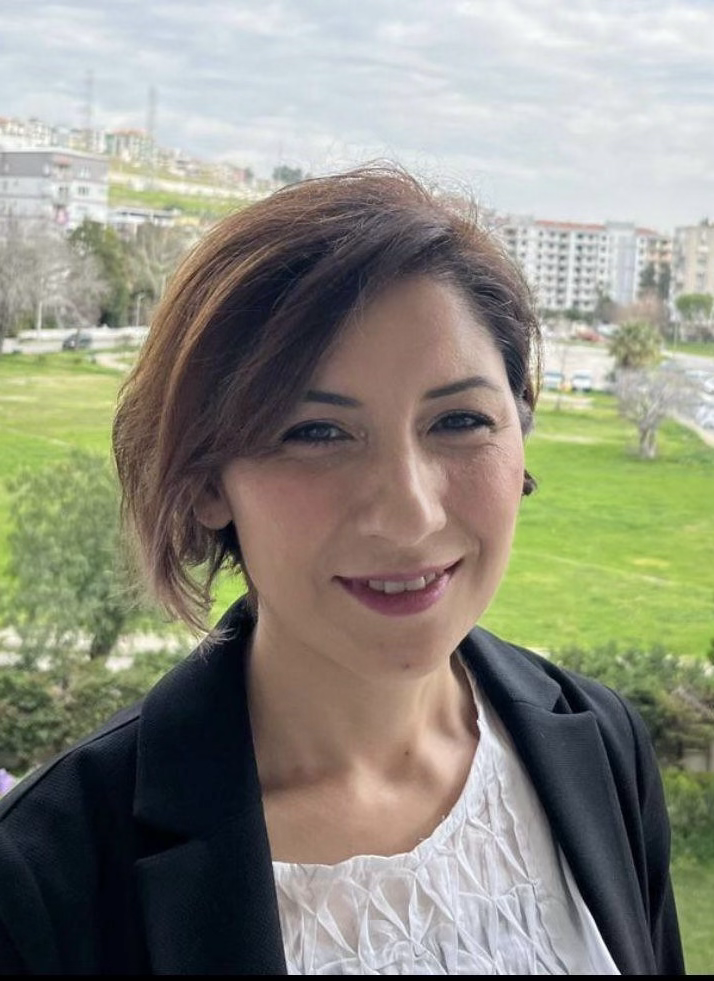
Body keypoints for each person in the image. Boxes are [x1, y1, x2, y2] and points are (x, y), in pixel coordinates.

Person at [0, 164, 684, 976]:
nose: (410, 514)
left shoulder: (600, 742)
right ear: (208, 480)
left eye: (460, 420)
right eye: (317, 433)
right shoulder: (45, 880)